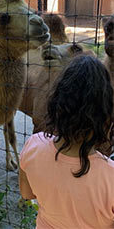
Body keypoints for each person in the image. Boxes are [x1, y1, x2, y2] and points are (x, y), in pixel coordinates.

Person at [19, 55, 114, 228]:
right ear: (105, 115)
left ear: (57, 104)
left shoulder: (32, 146)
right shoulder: (111, 176)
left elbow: (27, 193)